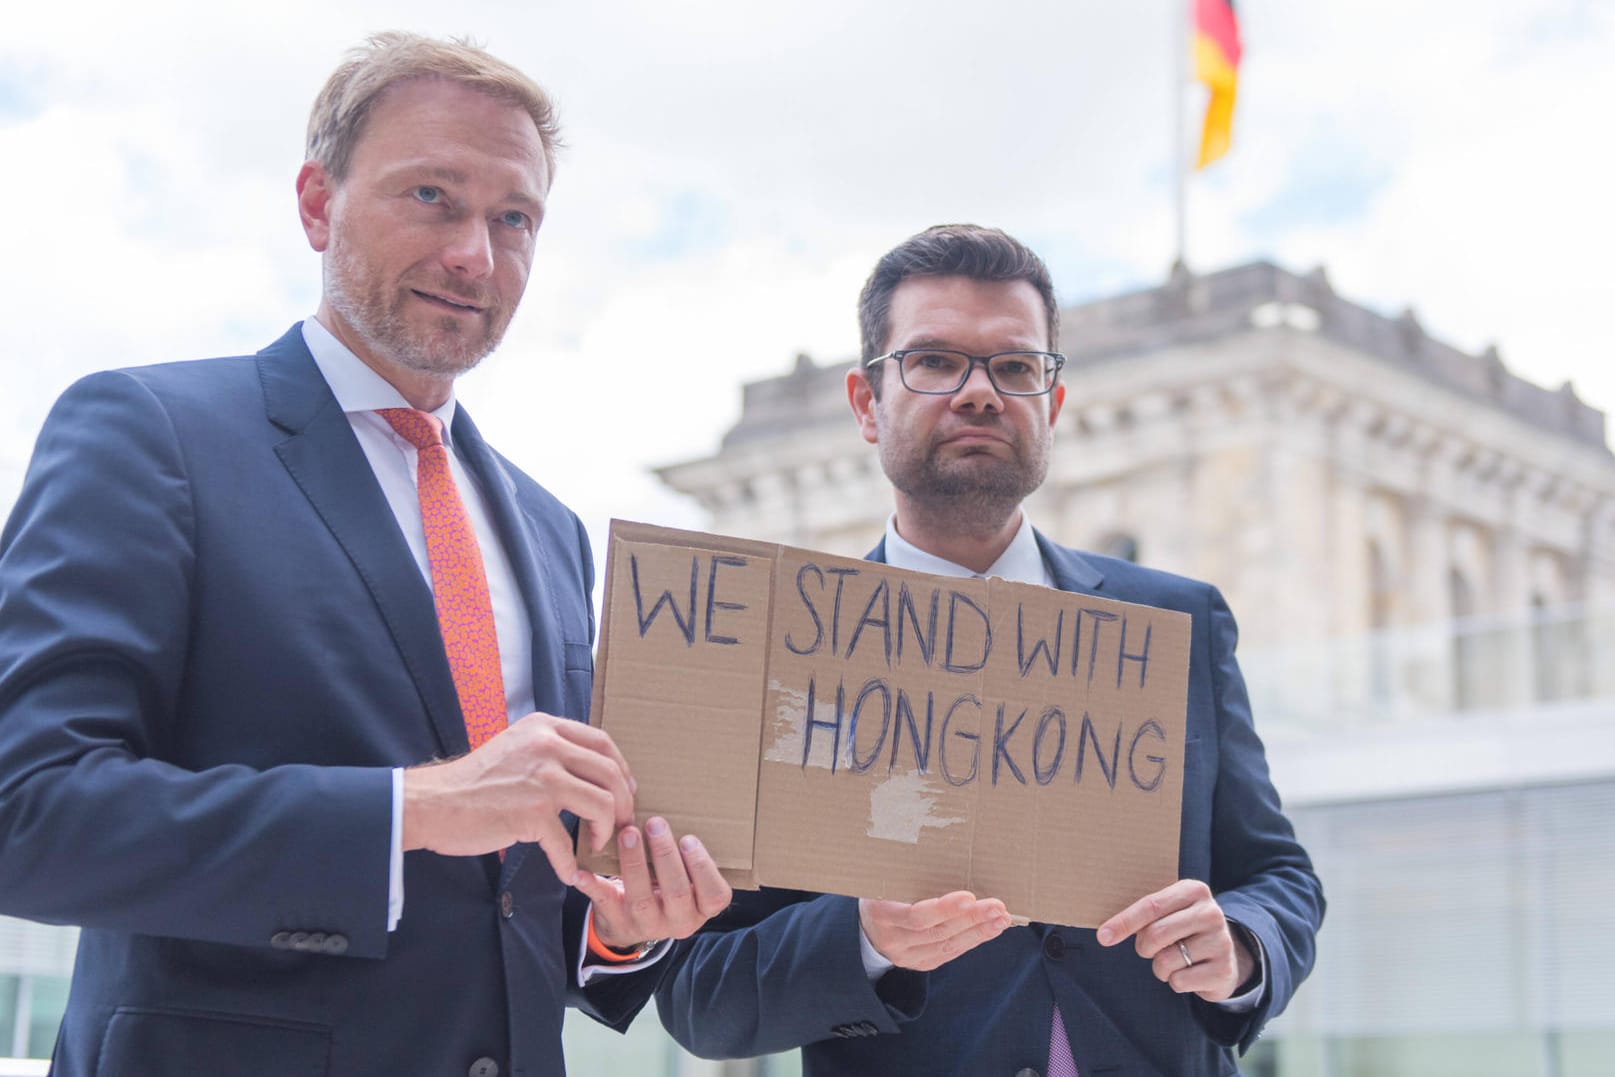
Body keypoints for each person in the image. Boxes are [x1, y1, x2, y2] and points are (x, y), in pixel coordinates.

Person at [0, 33, 730, 1077]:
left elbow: (517, 903)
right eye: (432, 195)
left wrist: (624, 927)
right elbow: (27, 813)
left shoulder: (552, 528)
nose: (476, 252)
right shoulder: (149, 433)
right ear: (315, 205)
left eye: (513, 217)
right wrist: (414, 810)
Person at [656, 224, 1324, 1075]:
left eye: (1015, 367)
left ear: (1052, 403)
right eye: (933, 362)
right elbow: (697, 996)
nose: (980, 393)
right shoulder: (773, 661)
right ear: (866, 404)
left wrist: (1239, 944)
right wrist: (864, 938)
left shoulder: (1178, 625)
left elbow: (1277, 876)